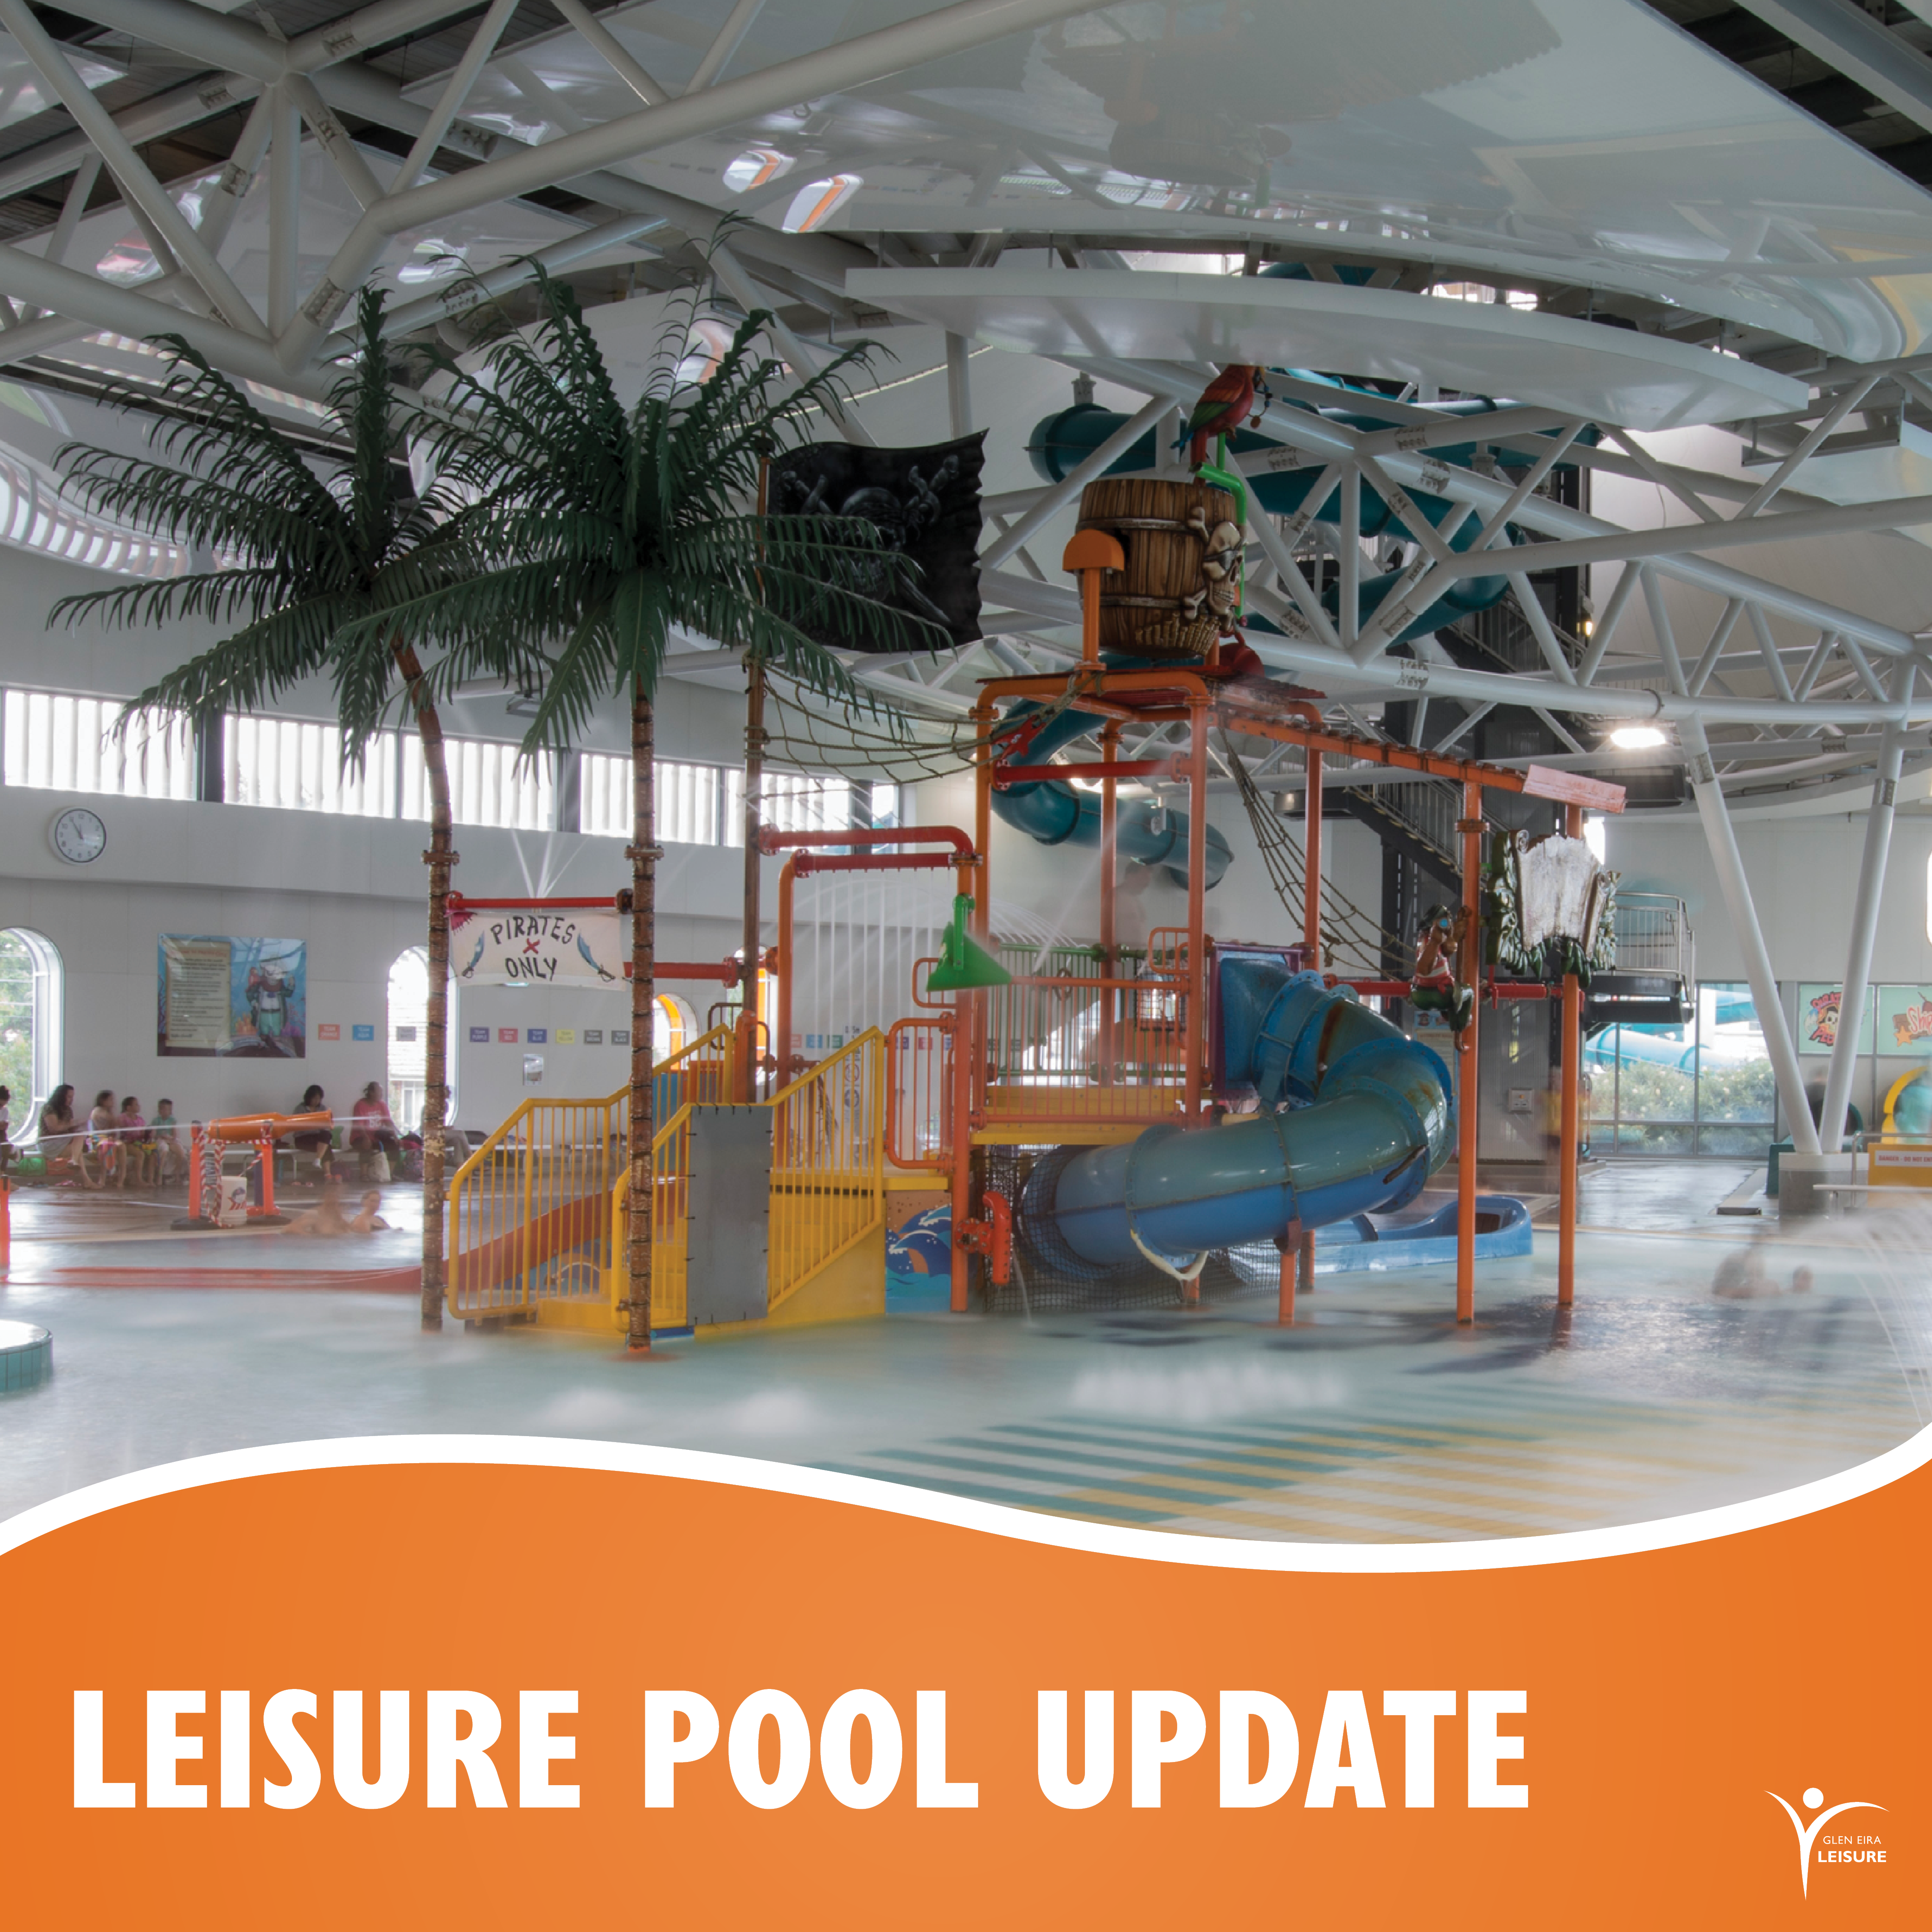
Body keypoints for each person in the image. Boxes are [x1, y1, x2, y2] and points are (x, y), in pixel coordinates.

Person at [349, 1081, 403, 1180]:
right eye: (379, 1092)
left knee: (394, 1145)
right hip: (359, 1137)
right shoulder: (360, 1105)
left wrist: (395, 1137)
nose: (381, 1095)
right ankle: (364, 1175)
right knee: (366, 1145)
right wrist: (366, 1138)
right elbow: (360, 1126)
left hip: (376, 1137)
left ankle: (389, 1174)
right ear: (371, 1093)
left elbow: (388, 1122)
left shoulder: (382, 1105)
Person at [79, 1088, 123, 1190]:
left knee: (122, 1146)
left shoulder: (109, 1113)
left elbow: (113, 1129)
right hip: (96, 1141)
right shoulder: (98, 1111)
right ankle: (102, 1179)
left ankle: (121, 1178)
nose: (113, 1102)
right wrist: (114, 1120)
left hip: (107, 1139)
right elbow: (106, 1125)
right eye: (111, 1100)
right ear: (104, 1101)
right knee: (107, 1146)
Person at [290, 1083, 334, 1179]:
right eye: (315, 1098)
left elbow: (327, 1126)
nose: (317, 1101)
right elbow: (295, 1126)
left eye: (319, 1099)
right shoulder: (300, 1109)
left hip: (318, 1138)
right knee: (326, 1146)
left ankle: (319, 1161)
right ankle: (327, 1174)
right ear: (309, 1098)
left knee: (327, 1136)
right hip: (303, 1138)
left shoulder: (323, 1109)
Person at [34, 1084, 79, 1179]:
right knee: (78, 1147)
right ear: (61, 1096)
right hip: (48, 1143)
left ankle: (85, 1177)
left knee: (80, 1139)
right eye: (69, 1097)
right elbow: (54, 1128)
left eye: (73, 1097)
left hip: (62, 1141)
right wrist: (71, 1125)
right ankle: (76, 1163)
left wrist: (77, 1127)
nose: (72, 1100)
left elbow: (70, 1129)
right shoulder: (49, 1108)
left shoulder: (68, 1110)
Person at [118, 1096, 154, 1189]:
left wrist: (149, 1133)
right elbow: (119, 1129)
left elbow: (142, 1134)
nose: (139, 1106)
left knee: (153, 1153)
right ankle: (138, 1179)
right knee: (140, 1154)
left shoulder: (140, 1120)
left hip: (138, 1143)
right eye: (136, 1104)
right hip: (127, 1143)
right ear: (129, 1108)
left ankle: (151, 1180)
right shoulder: (123, 1118)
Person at [151, 1098, 185, 1185]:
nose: (167, 1112)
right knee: (164, 1150)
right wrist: (161, 1137)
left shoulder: (173, 1121)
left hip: (171, 1140)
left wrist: (170, 1139)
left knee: (181, 1153)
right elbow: (153, 1135)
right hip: (160, 1140)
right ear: (160, 1110)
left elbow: (175, 1135)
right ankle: (160, 1175)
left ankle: (177, 1175)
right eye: (165, 1109)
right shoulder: (156, 1121)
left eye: (169, 1110)